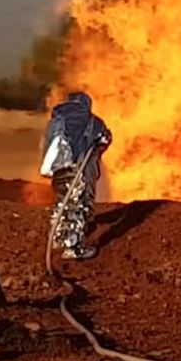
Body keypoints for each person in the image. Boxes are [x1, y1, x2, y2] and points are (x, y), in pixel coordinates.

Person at [39, 91, 112, 260]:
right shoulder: (91, 120)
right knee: (78, 206)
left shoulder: (57, 120)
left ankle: (58, 238)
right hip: (77, 168)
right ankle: (74, 247)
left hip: (58, 172)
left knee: (62, 203)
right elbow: (105, 138)